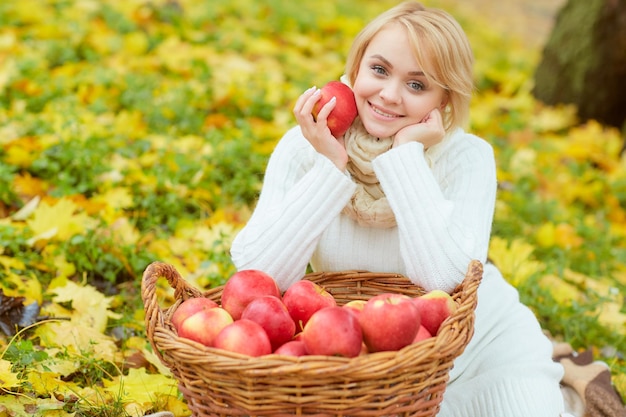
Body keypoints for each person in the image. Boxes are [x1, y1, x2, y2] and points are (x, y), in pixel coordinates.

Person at [230, 1, 568, 416]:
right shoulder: (308, 146)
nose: (389, 95)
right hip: (372, 364)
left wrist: (407, 158)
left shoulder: (466, 157)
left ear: (444, 99)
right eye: (379, 70)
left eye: (416, 85)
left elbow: (445, 281)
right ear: (355, 69)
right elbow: (256, 278)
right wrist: (330, 167)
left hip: (483, 350)